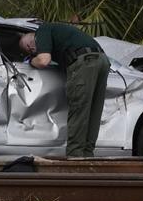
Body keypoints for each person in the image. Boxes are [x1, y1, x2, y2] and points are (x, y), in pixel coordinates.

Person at [19, 23, 110, 157]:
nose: (34, 52)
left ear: (30, 46)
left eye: (31, 52)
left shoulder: (42, 31)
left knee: (79, 111)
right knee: (93, 111)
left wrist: (31, 61)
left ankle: (75, 156)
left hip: (84, 63)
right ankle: (87, 153)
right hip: (102, 61)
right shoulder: (60, 33)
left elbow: (44, 60)